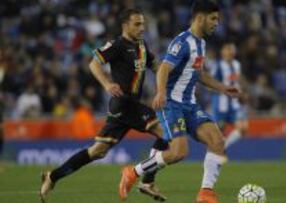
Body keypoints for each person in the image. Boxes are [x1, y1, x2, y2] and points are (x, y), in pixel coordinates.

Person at [118, 1, 244, 203]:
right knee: (179, 152)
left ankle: (206, 192)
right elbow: (164, 68)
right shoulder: (182, 42)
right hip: (172, 105)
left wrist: (223, 88)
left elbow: (199, 74)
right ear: (200, 18)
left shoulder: (201, 43)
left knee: (217, 141)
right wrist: (160, 93)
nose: (216, 23)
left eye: (217, 19)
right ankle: (133, 172)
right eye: (213, 18)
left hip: (190, 105)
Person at [39, 9, 168, 202]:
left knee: (97, 151)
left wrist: (167, 77)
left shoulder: (141, 44)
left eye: (143, 24)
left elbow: (156, 65)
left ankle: (53, 176)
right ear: (125, 25)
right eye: (137, 24)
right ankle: (147, 181)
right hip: (125, 104)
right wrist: (107, 84)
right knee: (166, 132)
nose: (142, 28)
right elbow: (94, 63)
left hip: (126, 107)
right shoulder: (117, 45)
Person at [209, 41, 248, 148]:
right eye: (228, 49)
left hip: (234, 104)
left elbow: (237, 82)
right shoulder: (218, 65)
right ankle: (213, 154)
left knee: (243, 128)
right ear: (222, 52)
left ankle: (224, 146)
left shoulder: (237, 65)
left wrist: (242, 93)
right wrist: (225, 91)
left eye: (232, 49)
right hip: (220, 104)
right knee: (219, 132)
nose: (231, 51)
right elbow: (210, 83)